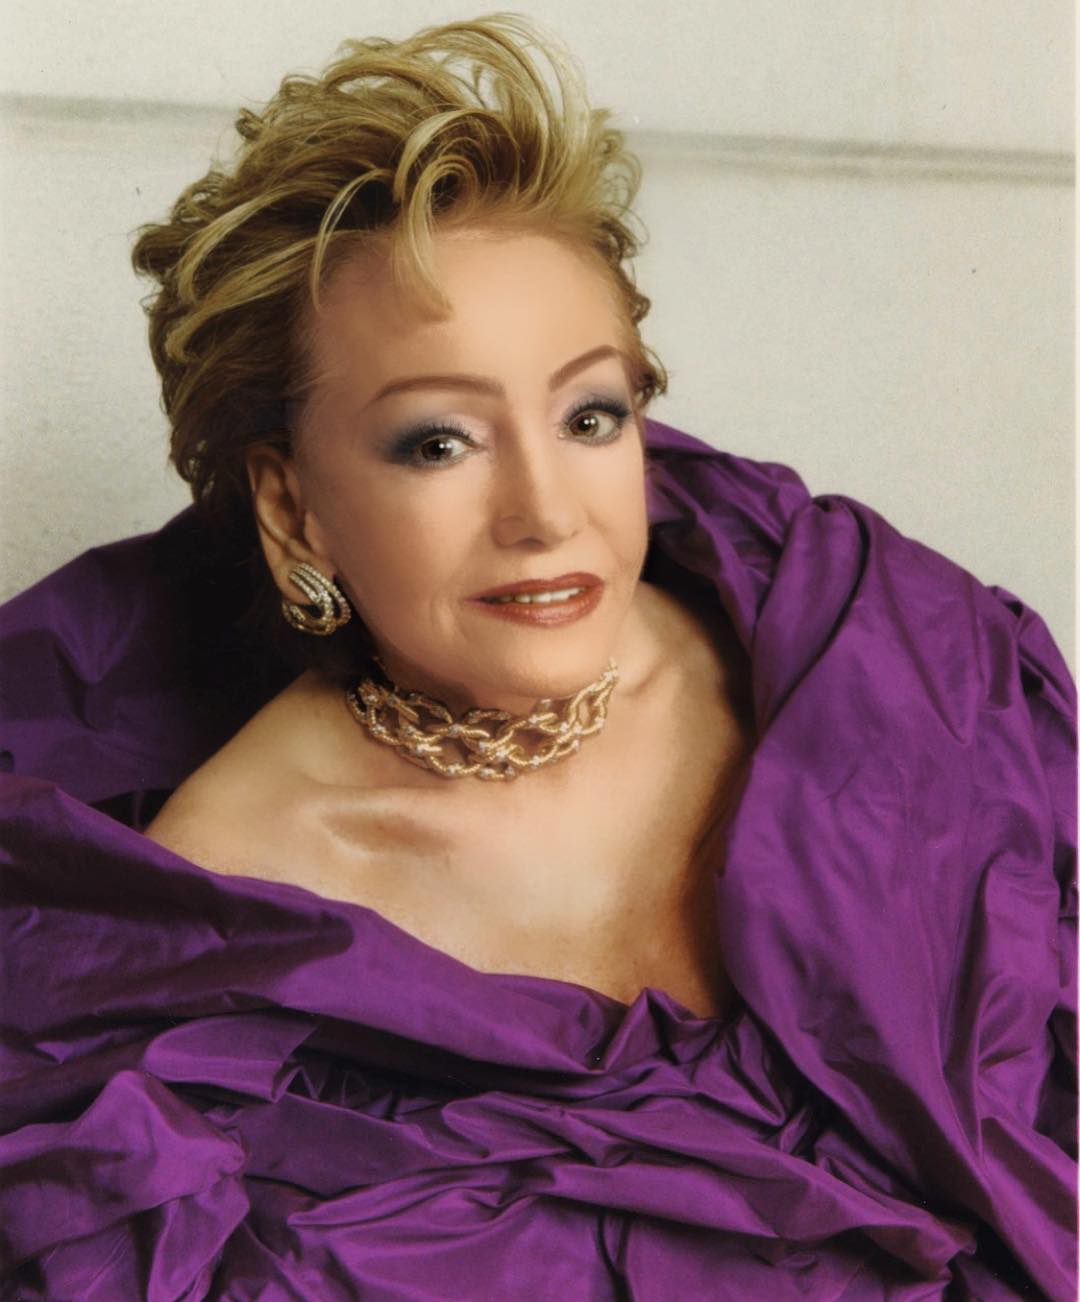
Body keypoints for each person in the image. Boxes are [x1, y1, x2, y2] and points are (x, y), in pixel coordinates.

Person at [0, 15, 1074, 1300]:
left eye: (589, 416)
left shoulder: (874, 660)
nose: (546, 513)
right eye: (438, 442)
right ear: (294, 509)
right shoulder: (230, 899)